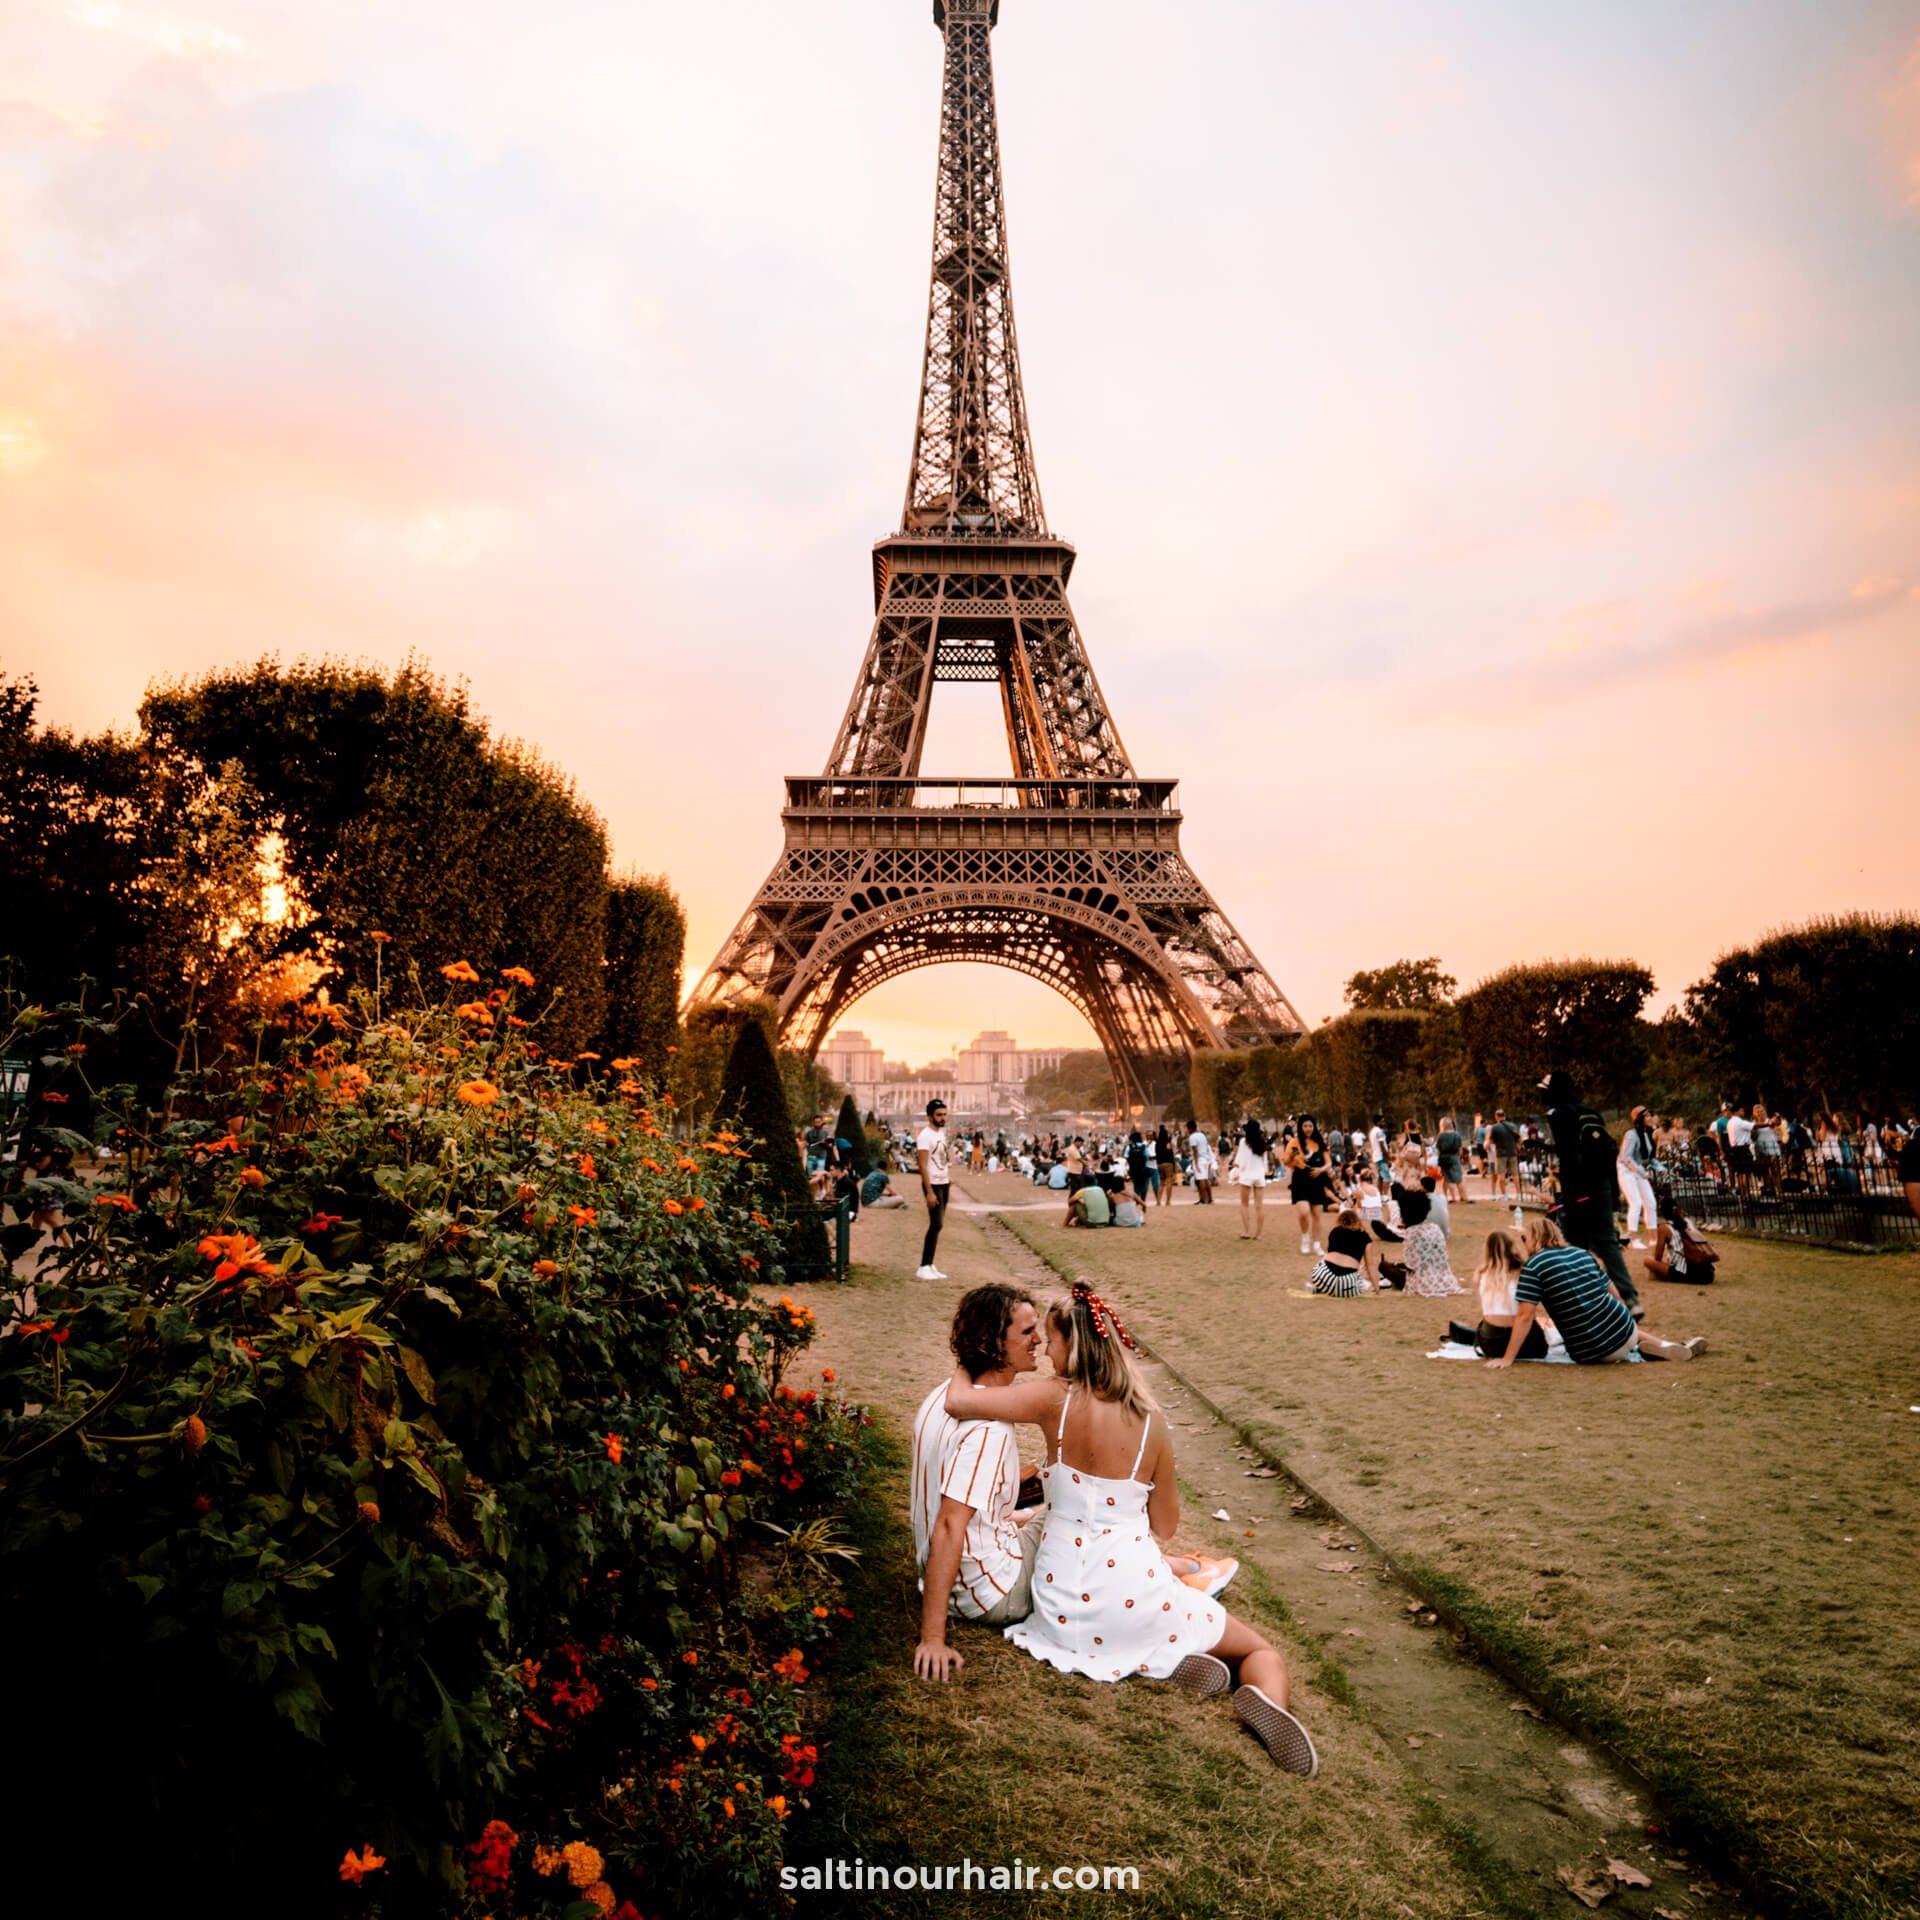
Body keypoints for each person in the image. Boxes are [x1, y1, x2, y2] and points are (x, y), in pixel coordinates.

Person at [943, 1282, 1317, 1774]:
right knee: (1257, 1647)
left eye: (1051, 1341)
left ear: (1073, 1347)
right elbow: (1166, 1525)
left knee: (1161, 1605)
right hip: (1129, 1593)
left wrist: (964, 1359)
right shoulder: (1152, 1423)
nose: (1044, 1349)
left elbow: (959, 1401)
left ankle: (1164, 1658)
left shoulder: (1053, 1399)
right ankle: (1269, 1700)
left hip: (1059, 1604)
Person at [911, 1285, 1047, 1678]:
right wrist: (933, 1638)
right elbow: (951, 1523)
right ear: (993, 1342)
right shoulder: (986, 1430)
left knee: (1045, 1509)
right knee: (1079, 1512)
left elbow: (968, 1518)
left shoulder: (944, 1395)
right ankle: (1164, 1579)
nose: (1038, 1340)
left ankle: (1167, 1570)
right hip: (989, 1592)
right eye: (1026, 1332)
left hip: (960, 1576)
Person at [1486, 1218, 1704, 1370]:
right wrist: (1620, 1320)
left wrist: (1508, 1358)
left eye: (1525, 1239)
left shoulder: (1534, 1266)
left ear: (1535, 1238)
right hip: (1624, 1329)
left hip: (1592, 1351)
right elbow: (1614, 1293)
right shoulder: (1581, 1253)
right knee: (1610, 1317)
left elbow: (1525, 1316)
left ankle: (1656, 1346)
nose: (1524, 1244)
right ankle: (1663, 1345)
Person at [1537, 1070, 1641, 1314]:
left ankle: (1584, 1300)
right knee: (1607, 1242)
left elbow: (1569, 1152)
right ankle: (1630, 1298)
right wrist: (1613, 1192)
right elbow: (1605, 1152)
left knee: (1576, 1244)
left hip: (1579, 1188)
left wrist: (1568, 1190)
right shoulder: (1591, 1113)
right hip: (1601, 1185)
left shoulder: (1558, 1114)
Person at [1470, 1227, 1554, 1358]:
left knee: (1484, 1324)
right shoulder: (1526, 1272)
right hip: (1527, 1343)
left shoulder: (1481, 1273)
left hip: (1491, 1343)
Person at [1397, 1188, 1463, 1297]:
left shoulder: (1412, 1233)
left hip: (1422, 1281)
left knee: (1385, 1267)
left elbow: (1411, 1264)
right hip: (1445, 1278)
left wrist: (1397, 1265)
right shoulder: (1434, 1228)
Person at [915, 1098, 952, 1281]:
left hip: (944, 1182)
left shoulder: (940, 1133)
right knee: (935, 1224)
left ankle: (930, 1263)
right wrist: (929, 1191)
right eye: (939, 1115)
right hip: (933, 1184)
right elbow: (922, 1165)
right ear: (930, 1116)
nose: (942, 1118)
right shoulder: (925, 1136)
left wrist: (947, 1178)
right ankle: (923, 1266)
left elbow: (943, 1157)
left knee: (939, 1225)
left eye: (944, 1114)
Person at [1288, 1116, 1334, 1255]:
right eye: (1305, 1126)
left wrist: (1321, 1169)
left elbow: (1329, 1163)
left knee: (1317, 1215)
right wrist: (1292, 1156)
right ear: (1300, 1127)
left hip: (1316, 1181)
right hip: (1300, 1181)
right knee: (1304, 1212)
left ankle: (1317, 1244)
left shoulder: (1320, 1143)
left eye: (1310, 1126)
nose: (1308, 1128)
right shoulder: (1294, 1142)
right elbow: (1288, 1162)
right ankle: (1305, 1238)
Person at [1309, 1206, 1379, 1296]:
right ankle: (1335, 1289)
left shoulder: (1334, 1232)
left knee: (1322, 1263)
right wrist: (1377, 1288)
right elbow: (1370, 1266)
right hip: (1347, 1283)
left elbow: (1327, 1254)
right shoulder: (1365, 1237)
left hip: (1324, 1276)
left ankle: (1320, 1287)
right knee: (1361, 1282)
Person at [1616, 1106, 1659, 1248]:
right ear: (1639, 1119)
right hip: (1626, 1170)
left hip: (1639, 1170)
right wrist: (1642, 1172)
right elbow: (1626, 1157)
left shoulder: (1647, 1134)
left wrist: (1662, 1169)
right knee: (1635, 1203)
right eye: (1647, 1116)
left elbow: (1649, 1159)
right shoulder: (1631, 1134)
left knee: (1651, 1203)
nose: (1650, 1118)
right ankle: (1633, 1239)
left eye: (1650, 1115)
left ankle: (1654, 1239)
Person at [1643, 1212, 1716, 1284]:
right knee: (1672, 1259)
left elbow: (1658, 1257)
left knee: (1647, 1260)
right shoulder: (1688, 1222)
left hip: (1686, 1273)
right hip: (1708, 1275)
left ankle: (1662, 1276)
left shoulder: (1664, 1228)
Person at [1231, 1120, 1270, 1241]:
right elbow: (1265, 1161)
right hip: (1259, 1176)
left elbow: (1239, 1160)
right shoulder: (1262, 1142)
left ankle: (1247, 1231)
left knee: (1244, 1204)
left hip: (1246, 1175)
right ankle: (1258, 1234)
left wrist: (1235, 1169)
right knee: (1259, 1206)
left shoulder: (1243, 1142)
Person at [1486, 1110, 1519, 1202]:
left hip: (1501, 1153)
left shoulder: (1495, 1128)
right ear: (1505, 1115)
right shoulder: (1512, 1126)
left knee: (1501, 1174)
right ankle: (1518, 1194)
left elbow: (1490, 1142)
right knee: (1515, 1174)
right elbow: (1517, 1139)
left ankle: (1505, 1195)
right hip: (1512, 1152)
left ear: (1496, 1117)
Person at [1434, 1116, 1467, 1205]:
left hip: (1444, 1158)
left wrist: (1438, 1160)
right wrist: (1459, 1158)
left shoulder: (1441, 1136)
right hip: (1454, 1157)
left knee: (1446, 1178)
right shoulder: (1457, 1135)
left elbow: (1439, 1150)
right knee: (1458, 1179)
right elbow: (1460, 1149)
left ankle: (1449, 1197)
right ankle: (1462, 1196)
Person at [1187, 1120, 1217, 1205]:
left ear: (1189, 1128)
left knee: (1201, 1179)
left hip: (1199, 1159)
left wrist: (1196, 1163)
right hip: (1205, 1158)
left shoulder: (1192, 1137)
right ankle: (1210, 1199)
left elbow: (1195, 1150)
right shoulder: (1202, 1135)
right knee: (1205, 1179)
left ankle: (1203, 1200)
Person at [1125, 1130, 1152, 1217]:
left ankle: (1137, 1201)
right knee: (1144, 1186)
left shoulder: (1129, 1147)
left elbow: (1126, 1157)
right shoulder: (1144, 1146)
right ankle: (1143, 1201)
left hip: (1134, 1171)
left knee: (1136, 1187)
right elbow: (1147, 1157)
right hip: (1143, 1170)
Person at [1153, 1125, 1177, 1206]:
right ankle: (1167, 1201)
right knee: (1169, 1182)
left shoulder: (1157, 1143)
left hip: (1159, 1164)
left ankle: (1158, 1201)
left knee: (1161, 1183)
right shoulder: (1168, 1143)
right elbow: (1171, 1153)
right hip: (1168, 1163)